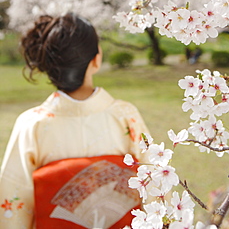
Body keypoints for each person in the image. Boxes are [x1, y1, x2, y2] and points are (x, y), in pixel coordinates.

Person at [0, 13, 150, 229]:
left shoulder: (31, 125)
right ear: (96, 59)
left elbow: (14, 200)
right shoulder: (126, 116)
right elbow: (154, 183)